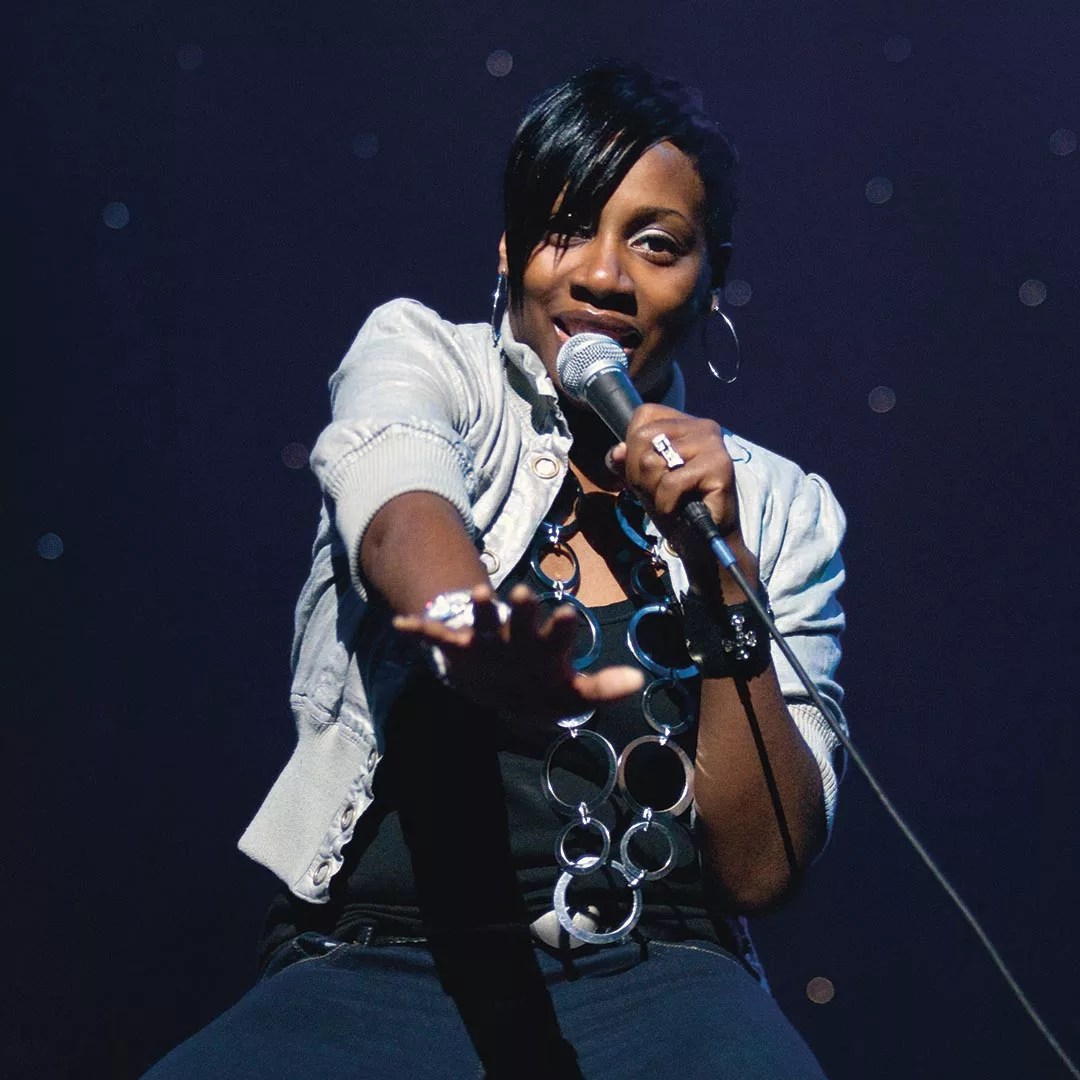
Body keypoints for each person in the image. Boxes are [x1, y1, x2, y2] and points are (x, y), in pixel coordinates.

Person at [146, 61, 846, 1079]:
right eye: (566, 229)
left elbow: (763, 866)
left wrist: (721, 562)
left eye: (656, 244)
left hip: (664, 976)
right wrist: (468, 628)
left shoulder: (781, 504)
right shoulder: (427, 361)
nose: (604, 275)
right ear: (513, 250)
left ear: (710, 274)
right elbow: (396, 507)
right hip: (379, 955)